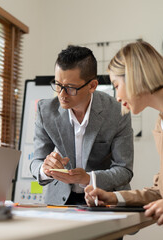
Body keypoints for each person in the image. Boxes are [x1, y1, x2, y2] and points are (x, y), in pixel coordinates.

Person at [84, 40, 163, 239]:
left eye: (116, 85)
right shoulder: (162, 125)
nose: (117, 96)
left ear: (134, 76)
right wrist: (114, 197)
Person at [30, 45, 134, 205]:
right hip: (60, 201)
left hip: (103, 197)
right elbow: (36, 161)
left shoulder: (117, 111)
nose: (61, 94)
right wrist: (45, 169)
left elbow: (124, 170)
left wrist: (88, 178)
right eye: (58, 85)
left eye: (70, 88)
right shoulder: (45, 111)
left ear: (92, 86)